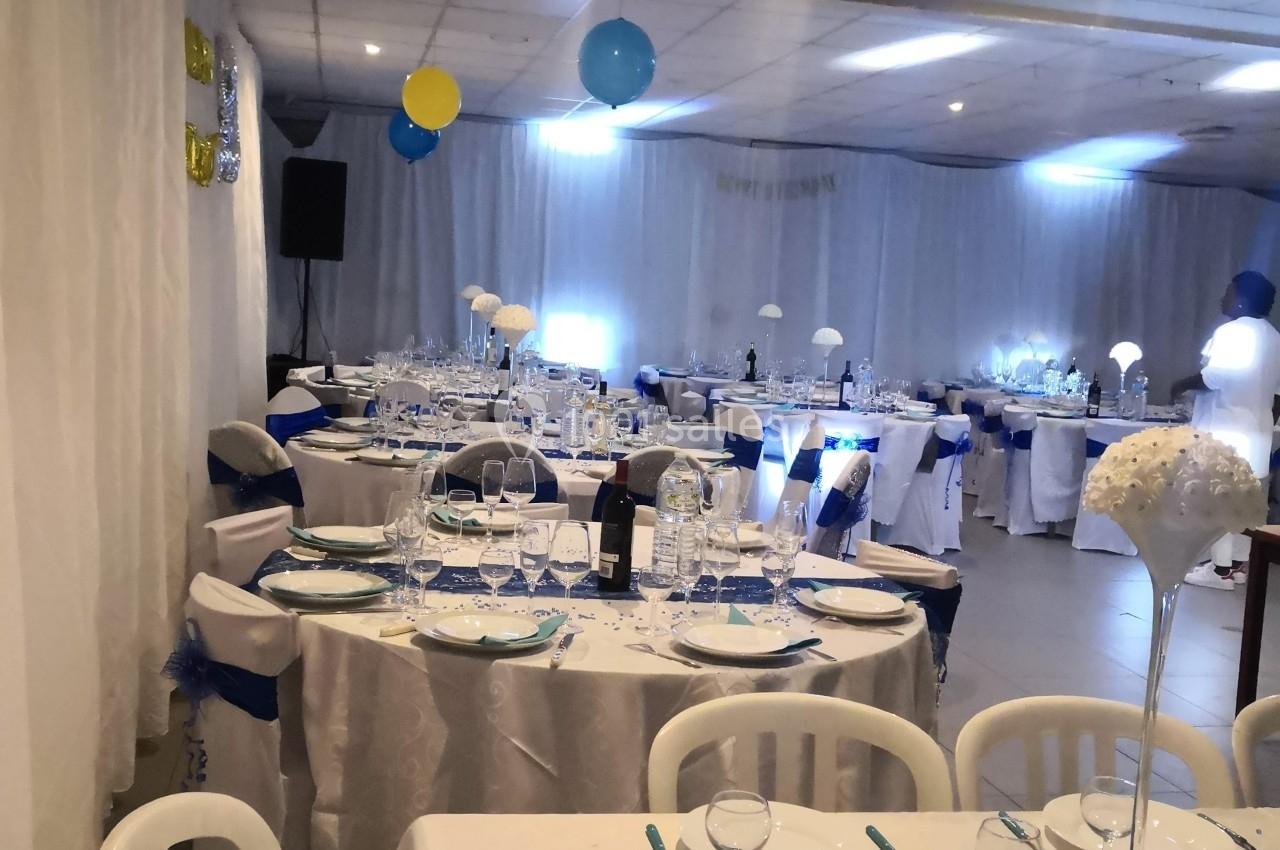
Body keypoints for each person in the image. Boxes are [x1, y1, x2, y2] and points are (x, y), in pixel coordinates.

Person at [1172, 270, 1280, 590]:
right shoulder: (1275, 338)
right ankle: (1239, 566)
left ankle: (1218, 571)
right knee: (1245, 501)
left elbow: (1213, 378)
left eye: (1229, 293)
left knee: (1217, 498)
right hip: (1257, 432)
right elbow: (1277, 395)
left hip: (1226, 429)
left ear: (1242, 300)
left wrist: (1179, 385)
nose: (1223, 298)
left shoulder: (1233, 332)